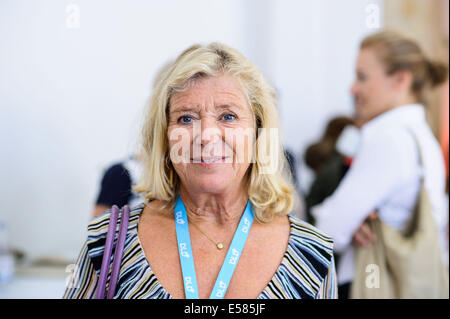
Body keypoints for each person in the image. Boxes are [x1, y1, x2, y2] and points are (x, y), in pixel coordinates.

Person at [64, 43, 337, 299]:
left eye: (228, 116)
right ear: (164, 137)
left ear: (258, 133)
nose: (206, 135)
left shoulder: (311, 252)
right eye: (186, 118)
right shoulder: (108, 241)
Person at [312, 30, 449, 298]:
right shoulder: (421, 136)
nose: (353, 88)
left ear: (400, 80)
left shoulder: (390, 139)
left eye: (362, 77)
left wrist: (342, 222)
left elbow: (328, 232)